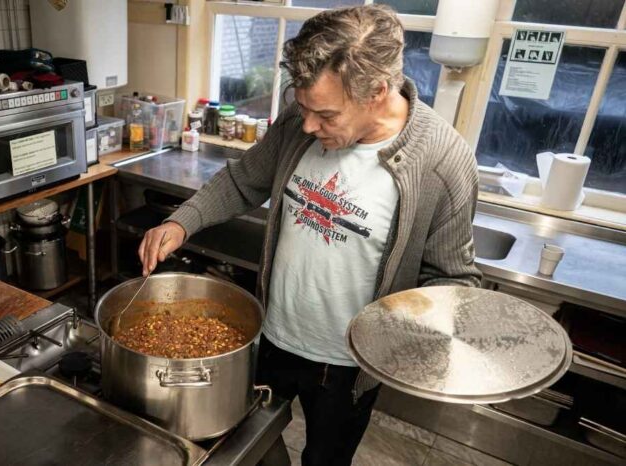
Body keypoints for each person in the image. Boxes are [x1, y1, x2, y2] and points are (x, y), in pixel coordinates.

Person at [138, 5, 481, 465]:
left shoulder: (444, 162)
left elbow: (452, 279)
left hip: (347, 368)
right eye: (303, 108)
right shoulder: (300, 123)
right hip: (271, 336)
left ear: (378, 92)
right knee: (246, 448)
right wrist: (182, 221)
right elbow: (244, 180)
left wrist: (434, 331)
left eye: (326, 115)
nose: (307, 126)